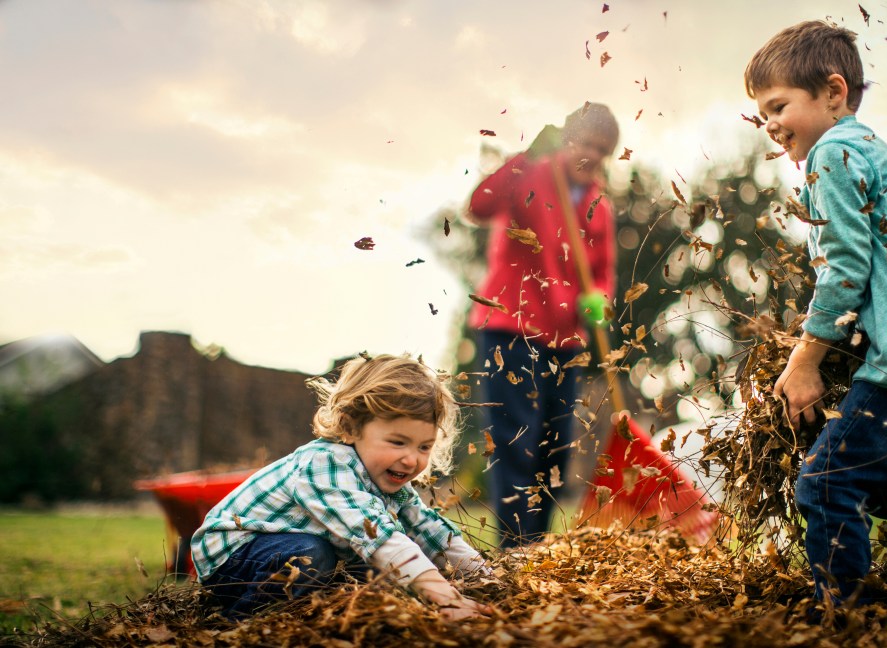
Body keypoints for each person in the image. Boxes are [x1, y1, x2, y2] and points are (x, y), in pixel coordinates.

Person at [745, 20, 887, 607]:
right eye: (761, 112)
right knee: (863, 477)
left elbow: (845, 268)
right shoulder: (864, 149)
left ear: (833, 93)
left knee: (824, 482)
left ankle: (847, 618)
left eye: (778, 105)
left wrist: (806, 359)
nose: (768, 123)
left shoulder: (833, 153)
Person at [190, 354, 492, 620]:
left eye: (424, 447)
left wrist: (488, 579)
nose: (411, 459)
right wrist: (443, 595)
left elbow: (431, 534)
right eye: (397, 442)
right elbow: (374, 534)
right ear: (350, 428)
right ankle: (240, 623)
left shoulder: (389, 482)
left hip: (288, 550)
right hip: (235, 558)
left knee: (377, 573)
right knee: (311, 556)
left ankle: (302, 614)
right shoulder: (325, 464)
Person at [466, 103, 619, 546]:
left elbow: (603, 272)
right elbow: (479, 206)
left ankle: (538, 550)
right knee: (517, 441)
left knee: (555, 447)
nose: (590, 155)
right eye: (584, 142)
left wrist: (599, 303)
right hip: (510, 326)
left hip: (565, 337)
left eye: (602, 150)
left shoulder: (598, 206)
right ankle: (514, 550)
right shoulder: (531, 174)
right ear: (567, 138)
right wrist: (523, 159)